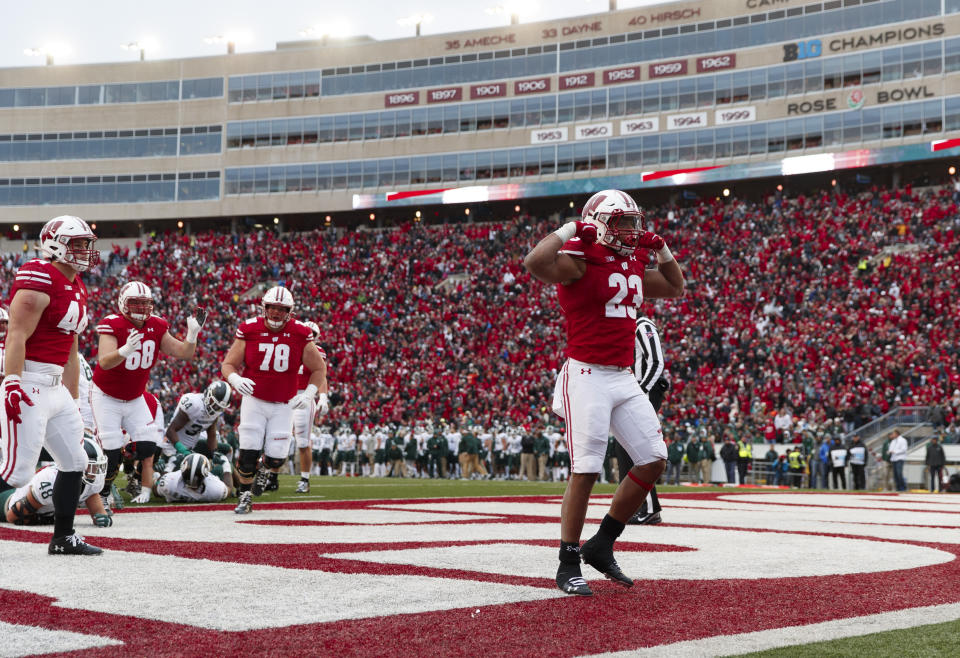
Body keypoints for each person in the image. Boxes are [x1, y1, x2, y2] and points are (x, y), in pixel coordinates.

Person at [524, 188, 684, 597]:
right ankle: (567, 561)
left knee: (653, 460)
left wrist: (663, 248)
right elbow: (535, 263)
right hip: (588, 374)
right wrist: (569, 229)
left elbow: (673, 286)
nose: (632, 230)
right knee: (587, 469)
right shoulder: (579, 259)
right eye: (622, 222)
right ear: (597, 223)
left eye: (634, 222)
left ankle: (602, 543)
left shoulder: (629, 262)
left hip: (623, 376)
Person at [0, 216, 104, 554]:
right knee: (16, 475)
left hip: (56, 386)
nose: (86, 251)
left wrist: (72, 398)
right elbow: (16, 333)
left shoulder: (76, 285)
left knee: (75, 462)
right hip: (29, 381)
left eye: (87, 243)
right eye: (78, 244)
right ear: (55, 244)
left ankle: (63, 537)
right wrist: (12, 381)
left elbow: (71, 351)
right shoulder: (39, 275)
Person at [91, 281, 203, 504]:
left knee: (148, 446)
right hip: (107, 396)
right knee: (111, 453)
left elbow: (184, 353)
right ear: (123, 302)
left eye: (145, 303)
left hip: (135, 397)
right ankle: (102, 494)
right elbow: (103, 361)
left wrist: (192, 335)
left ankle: (138, 485)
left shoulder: (157, 325)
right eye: (136, 303)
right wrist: (124, 351)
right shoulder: (113, 324)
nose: (141, 308)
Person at [221, 286, 329, 514]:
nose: (276, 313)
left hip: (284, 404)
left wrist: (310, 393)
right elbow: (228, 364)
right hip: (254, 401)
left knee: (277, 458)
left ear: (289, 311)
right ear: (264, 307)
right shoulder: (249, 329)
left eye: (282, 309)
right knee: (248, 452)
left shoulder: (300, 333)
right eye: (272, 308)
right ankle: (245, 497)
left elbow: (319, 368)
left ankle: (265, 470)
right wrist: (234, 379)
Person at [614, 316, 671, 524]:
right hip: (634, 390)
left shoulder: (642, 325)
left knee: (636, 448)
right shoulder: (628, 327)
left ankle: (647, 507)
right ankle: (635, 506)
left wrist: (640, 390)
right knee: (624, 448)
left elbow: (657, 361)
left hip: (641, 391)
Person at [0, 436, 110, 528]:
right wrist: (42, 519)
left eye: (98, 466)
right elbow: (12, 516)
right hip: (8, 503)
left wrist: (103, 518)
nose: (96, 471)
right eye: (92, 467)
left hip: (36, 505)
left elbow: (97, 509)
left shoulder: (90, 481)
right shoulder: (50, 480)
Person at [292, 320, 328, 493]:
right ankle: (271, 476)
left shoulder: (318, 351)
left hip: (304, 396)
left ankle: (305, 479)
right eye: (307, 332)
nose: (309, 336)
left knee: (302, 441)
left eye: (312, 334)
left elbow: (321, 375)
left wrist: (323, 397)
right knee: (277, 437)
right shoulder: (289, 346)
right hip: (285, 395)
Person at [162, 380, 232, 460]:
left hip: (192, 447)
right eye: (215, 404)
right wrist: (182, 450)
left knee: (223, 456)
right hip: (173, 445)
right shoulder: (194, 404)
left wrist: (215, 453)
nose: (216, 408)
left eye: (219, 407)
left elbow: (211, 435)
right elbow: (170, 431)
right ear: (208, 394)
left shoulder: (215, 413)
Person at [153, 453, 228, 503]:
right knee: (219, 468)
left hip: (171, 478)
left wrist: (170, 466)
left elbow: (155, 491)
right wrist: (226, 465)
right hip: (211, 484)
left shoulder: (168, 483)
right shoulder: (216, 490)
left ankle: (169, 466)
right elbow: (229, 488)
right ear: (206, 473)